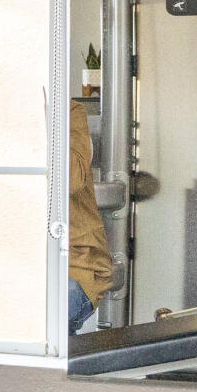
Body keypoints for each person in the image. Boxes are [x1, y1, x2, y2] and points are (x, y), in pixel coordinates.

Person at [69, 95, 117, 331]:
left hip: (75, 266)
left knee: (36, 326)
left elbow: (71, 179)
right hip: (22, 271)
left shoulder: (68, 111)